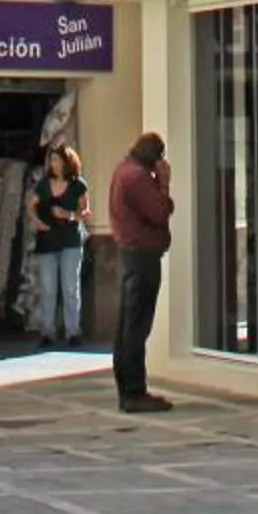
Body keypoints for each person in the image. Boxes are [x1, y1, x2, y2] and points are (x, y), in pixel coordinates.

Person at [109, 131, 174, 414]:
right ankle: (134, 391)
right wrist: (164, 184)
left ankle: (128, 388)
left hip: (129, 253)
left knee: (128, 323)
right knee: (137, 325)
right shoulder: (136, 177)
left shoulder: (123, 171)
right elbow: (160, 211)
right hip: (142, 256)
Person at [29, 141, 91, 347]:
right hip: (47, 240)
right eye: (51, 160)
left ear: (67, 162)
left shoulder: (78, 185)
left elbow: (85, 213)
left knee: (70, 287)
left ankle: (73, 331)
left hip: (71, 241)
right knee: (47, 288)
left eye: (56, 160)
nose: (53, 164)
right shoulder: (43, 184)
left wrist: (68, 215)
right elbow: (31, 206)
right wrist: (37, 222)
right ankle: (47, 331)